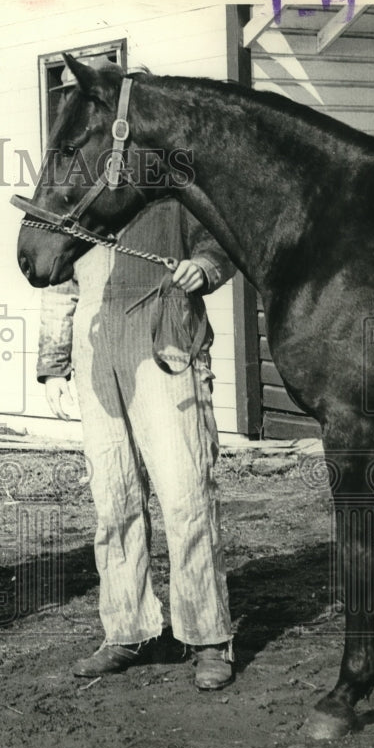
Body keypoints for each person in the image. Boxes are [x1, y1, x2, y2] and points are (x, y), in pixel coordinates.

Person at [37, 199, 236, 690]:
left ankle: (208, 637)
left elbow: (222, 239)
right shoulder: (79, 189)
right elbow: (58, 279)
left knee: (186, 493)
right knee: (114, 497)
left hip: (165, 336)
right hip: (95, 347)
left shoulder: (171, 183)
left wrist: (204, 268)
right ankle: (128, 630)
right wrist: (54, 362)